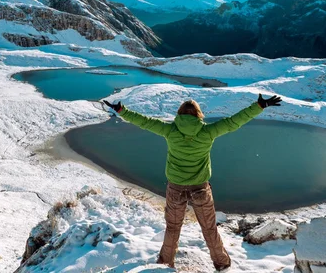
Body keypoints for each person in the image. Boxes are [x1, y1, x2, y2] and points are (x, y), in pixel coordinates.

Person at [104, 94, 282, 272]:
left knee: (173, 228)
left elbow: (144, 122)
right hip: (201, 189)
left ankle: (165, 264)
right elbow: (234, 121)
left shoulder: (170, 131)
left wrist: (121, 110)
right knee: (209, 228)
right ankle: (222, 264)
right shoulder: (208, 132)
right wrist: (259, 106)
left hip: (175, 188)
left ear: (180, 114)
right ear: (199, 114)